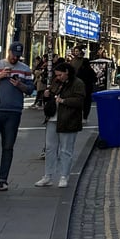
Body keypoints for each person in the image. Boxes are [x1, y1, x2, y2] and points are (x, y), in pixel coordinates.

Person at [0, 43, 34, 192]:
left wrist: (20, 85)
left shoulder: (25, 69)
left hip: (14, 112)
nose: (14, 58)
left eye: (18, 56)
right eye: (13, 54)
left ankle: (3, 179)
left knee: (8, 146)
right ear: (8, 51)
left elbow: (31, 89)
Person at [36, 58, 85, 188]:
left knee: (65, 150)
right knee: (50, 149)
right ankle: (48, 176)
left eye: (60, 75)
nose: (58, 77)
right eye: (56, 75)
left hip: (68, 120)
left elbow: (80, 101)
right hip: (52, 119)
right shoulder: (56, 82)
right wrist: (46, 95)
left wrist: (64, 101)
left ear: (67, 72)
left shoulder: (78, 83)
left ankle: (64, 176)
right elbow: (51, 97)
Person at [71, 46, 97, 120]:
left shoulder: (80, 69)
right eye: (75, 51)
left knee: (79, 100)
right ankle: (85, 115)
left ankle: (79, 115)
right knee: (86, 102)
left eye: (77, 51)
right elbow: (95, 78)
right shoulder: (90, 70)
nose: (76, 52)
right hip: (87, 88)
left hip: (79, 85)